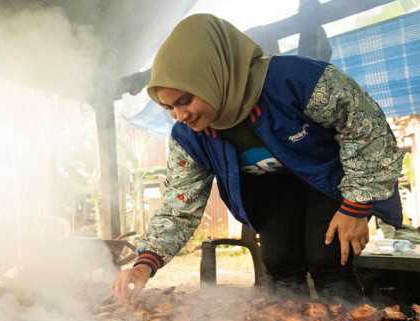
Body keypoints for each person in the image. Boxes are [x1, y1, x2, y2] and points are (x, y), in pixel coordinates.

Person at [112, 14, 403, 305]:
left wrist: (356, 206)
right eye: (168, 107)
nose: (180, 116)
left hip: (328, 179)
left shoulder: (300, 81)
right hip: (271, 189)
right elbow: (179, 206)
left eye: (186, 100)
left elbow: (369, 132)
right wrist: (143, 265)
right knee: (280, 261)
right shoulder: (188, 136)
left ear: (214, 75)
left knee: (327, 256)